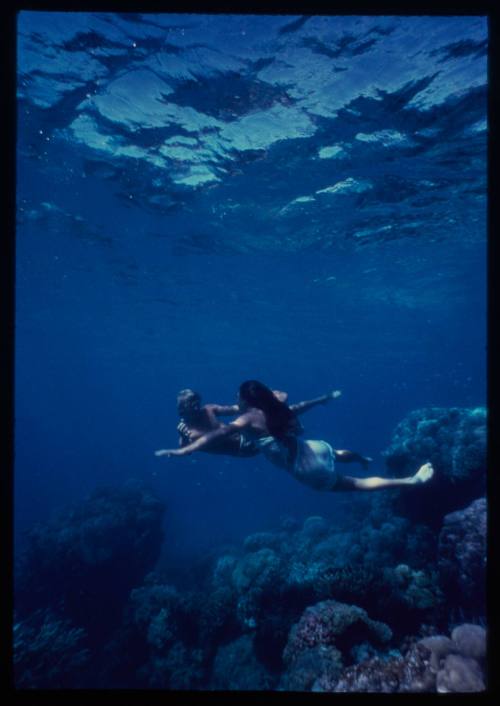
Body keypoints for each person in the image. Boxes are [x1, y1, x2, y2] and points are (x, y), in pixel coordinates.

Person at [156, 380, 433, 492]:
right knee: (335, 453)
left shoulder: (242, 418)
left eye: (237, 398)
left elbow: (219, 434)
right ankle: (361, 457)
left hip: (300, 464)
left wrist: (182, 451)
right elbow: (298, 406)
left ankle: (412, 480)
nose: (232, 401)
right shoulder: (272, 409)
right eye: (185, 406)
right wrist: (323, 398)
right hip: (307, 448)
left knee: (357, 485)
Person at [174, 387, 368, 461]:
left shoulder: (209, 409)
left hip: (247, 434)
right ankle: (293, 426)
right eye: (191, 405)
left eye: (196, 401)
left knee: (281, 409)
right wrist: (184, 437)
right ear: (182, 410)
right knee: (279, 413)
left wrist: (260, 403)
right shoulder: (187, 430)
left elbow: (235, 408)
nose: (197, 406)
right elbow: (188, 450)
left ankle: (319, 401)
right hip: (246, 448)